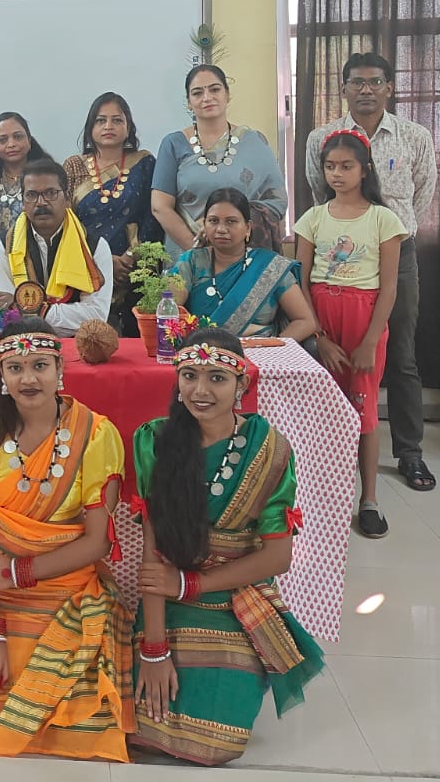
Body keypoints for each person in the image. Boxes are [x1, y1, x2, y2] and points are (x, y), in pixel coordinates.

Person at [130, 328, 325, 766]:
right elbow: (153, 555)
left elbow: (277, 557)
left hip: (234, 597)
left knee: (218, 743)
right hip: (167, 596)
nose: (200, 391)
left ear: (242, 383)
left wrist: (191, 584)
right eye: (190, 376)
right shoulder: (155, 440)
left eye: (217, 378)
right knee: (138, 723)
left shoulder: (268, 448)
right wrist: (154, 650)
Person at [0, 317, 133, 761]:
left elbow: (97, 543)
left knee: (78, 707)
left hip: (65, 583)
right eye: (15, 368)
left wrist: (17, 571)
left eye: (40, 365)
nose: (28, 378)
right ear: (1, 374)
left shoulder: (96, 434)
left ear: (60, 370)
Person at [305, 51, 438, 493]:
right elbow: (320, 193)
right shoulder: (321, 138)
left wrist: (390, 236)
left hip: (395, 253)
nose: (366, 90)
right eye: (357, 82)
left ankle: (410, 452)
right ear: (343, 88)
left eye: (375, 82)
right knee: (335, 357)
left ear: (389, 88)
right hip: (338, 263)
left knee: (400, 355)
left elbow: (422, 196)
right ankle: (336, 452)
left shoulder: (414, 136)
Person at [294, 131, 406, 539]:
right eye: (330, 167)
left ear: (364, 170)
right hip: (321, 317)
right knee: (321, 413)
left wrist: (370, 342)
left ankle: (369, 500)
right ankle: (321, 499)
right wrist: (318, 337)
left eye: (346, 166)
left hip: (363, 319)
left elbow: (389, 288)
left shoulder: (383, 219)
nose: (337, 174)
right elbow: (301, 281)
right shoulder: (313, 218)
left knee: (364, 413)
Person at [151, 65, 288, 253]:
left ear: (227, 94)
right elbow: (160, 207)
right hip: (188, 255)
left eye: (215, 89)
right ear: (189, 102)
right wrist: (198, 252)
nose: (207, 98)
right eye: (197, 93)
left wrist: (226, 221)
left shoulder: (254, 142)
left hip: (245, 256)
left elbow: (276, 200)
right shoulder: (174, 144)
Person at [63, 93, 162, 334]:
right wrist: (103, 263)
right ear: (90, 127)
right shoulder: (73, 167)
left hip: (135, 272)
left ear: (128, 128)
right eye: (101, 120)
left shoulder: (145, 164)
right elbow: (67, 224)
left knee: (135, 341)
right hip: (85, 271)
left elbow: (153, 218)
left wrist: (129, 259)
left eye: (117, 120)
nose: (108, 126)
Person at [166, 188, 316, 341]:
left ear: (248, 228)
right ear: (204, 224)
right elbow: (168, 315)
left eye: (231, 221)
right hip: (203, 352)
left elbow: (305, 321)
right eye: (213, 221)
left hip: (259, 351)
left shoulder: (270, 267)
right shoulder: (191, 262)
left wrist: (273, 346)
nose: (221, 229)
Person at [0, 160, 113, 335]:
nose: (41, 202)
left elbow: (96, 315)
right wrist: (62, 315)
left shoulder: (94, 246)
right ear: (23, 202)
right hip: (22, 342)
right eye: (31, 195)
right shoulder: (4, 245)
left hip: (78, 342)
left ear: (67, 198)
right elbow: (3, 313)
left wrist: (37, 311)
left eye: (50, 193)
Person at [0, 112, 52, 298]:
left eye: (18, 136)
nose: (11, 144)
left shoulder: (47, 177)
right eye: (3, 140)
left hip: (37, 271)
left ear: (29, 140)